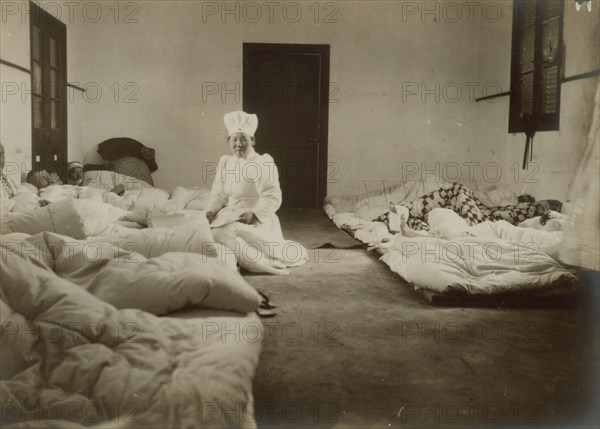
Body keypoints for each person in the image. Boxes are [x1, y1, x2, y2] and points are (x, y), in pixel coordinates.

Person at [205, 111, 308, 275]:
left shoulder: (261, 163)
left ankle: (257, 262)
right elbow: (219, 195)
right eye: (234, 139)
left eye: (244, 139)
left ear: (252, 140)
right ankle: (232, 261)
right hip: (230, 215)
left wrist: (254, 214)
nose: (239, 144)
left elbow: (272, 196)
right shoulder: (226, 163)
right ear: (229, 141)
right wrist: (210, 211)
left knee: (220, 234)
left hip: (256, 220)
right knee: (205, 233)